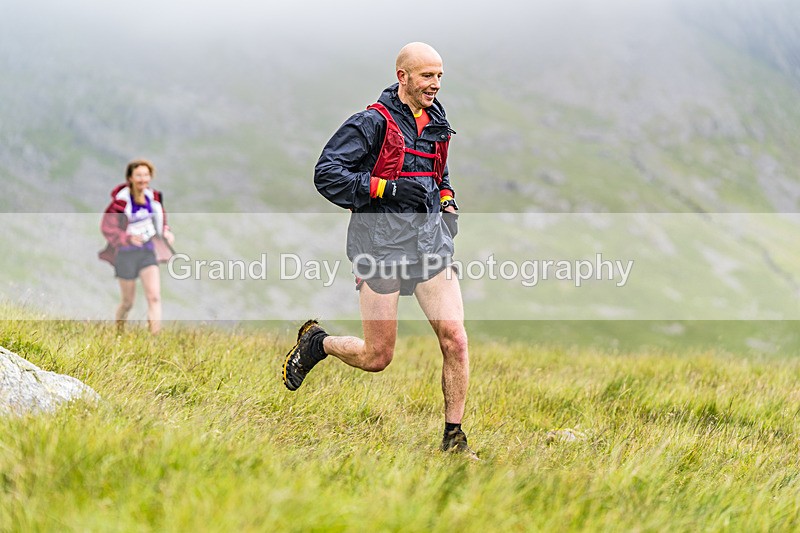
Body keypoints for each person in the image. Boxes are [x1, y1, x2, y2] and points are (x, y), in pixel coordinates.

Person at [283, 42, 476, 458]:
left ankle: (454, 439)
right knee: (377, 356)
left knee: (456, 339)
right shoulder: (371, 122)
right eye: (427, 76)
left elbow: (439, 173)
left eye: (440, 76)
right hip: (380, 245)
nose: (435, 85)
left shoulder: (437, 119)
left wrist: (447, 201)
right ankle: (318, 343)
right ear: (402, 76)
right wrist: (385, 188)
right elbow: (327, 174)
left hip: (430, 244)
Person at [99, 159, 175, 335]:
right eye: (139, 175)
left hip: (147, 252)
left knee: (154, 297)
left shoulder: (153, 199)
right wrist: (128, 238)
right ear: (130, 178)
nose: (143, 179)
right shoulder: (119, 203)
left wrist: (166, 232)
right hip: (125, 255)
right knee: (128, 302)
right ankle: (118, 333)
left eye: (146, 175)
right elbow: (107, 228)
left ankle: (155, 340)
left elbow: (161, 220)